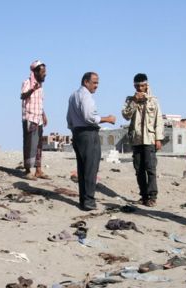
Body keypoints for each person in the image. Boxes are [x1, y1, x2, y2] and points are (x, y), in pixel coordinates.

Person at [66, 72, 116, 211]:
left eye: (97, 82)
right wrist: (107, 119)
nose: (96, 86)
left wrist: (75, 131)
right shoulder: (86, 96)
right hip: (88, 134)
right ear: (86, 82)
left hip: (78, 133)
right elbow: (89, 117)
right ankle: (88, 201)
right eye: (94, 82)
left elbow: (69, 119)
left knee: (82, 168)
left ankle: (84, 200)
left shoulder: (73, 95)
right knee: (90, 168)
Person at [121, 73, 164, 207]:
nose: (140, 88)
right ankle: (143, 195)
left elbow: (159, 120)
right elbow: (126, 115)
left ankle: (152, 196)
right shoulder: (130, 100)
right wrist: (134, 101)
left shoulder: (154, 101)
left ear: (147, 85)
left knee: (150, 168)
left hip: (149, 139)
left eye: (142, 86)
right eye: (137, 86)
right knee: (139, 169)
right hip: (136, 139)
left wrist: (158, 139)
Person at [21, 60, 50, 180]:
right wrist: (33, 89)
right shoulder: (27, 82)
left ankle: (38, 170)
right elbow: (22, 96)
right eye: (43, 72)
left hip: (39, 118)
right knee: (29, 145)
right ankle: (28, 170)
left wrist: (44, 114)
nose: (45, 74)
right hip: (30, 117)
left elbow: (40, 102)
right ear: (36, 72)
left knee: (38, 145)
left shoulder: (41, 86)